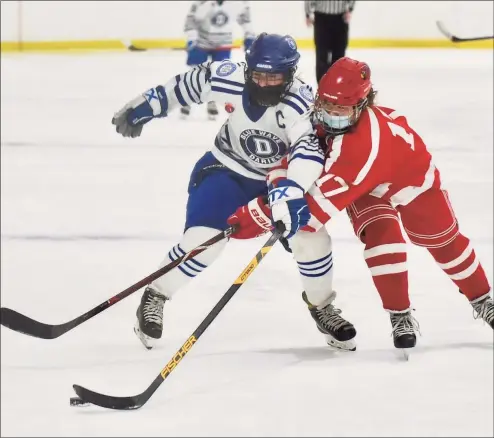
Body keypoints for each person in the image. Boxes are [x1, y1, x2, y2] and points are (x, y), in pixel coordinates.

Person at [228, 57, 493, 352]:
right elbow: (291, 162)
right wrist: (278, 193)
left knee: (443, 240)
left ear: (362, 104)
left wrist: (255, 217)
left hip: (412, 182)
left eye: (340, 109)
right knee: (384, 240)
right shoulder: (318, 119)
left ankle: (483, 300)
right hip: (368, 187)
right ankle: (400, 315)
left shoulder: (362, 149)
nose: (329, 114)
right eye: (325, 105)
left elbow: (314, 209)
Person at [111, 33, 357, 352]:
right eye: (259, 75)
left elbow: (307, 152)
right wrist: (149, 103)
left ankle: (322, 306)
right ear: (247, 70)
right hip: (224, 171)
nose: (266, 83)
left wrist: (292, 193)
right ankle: (156, 294)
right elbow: (190, 83)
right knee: (203, 243)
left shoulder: (301, 103)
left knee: (312, 238)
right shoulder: (228, 77)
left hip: (274, 182)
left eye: (275, 77)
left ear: (290, 74)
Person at [182, 1, 256, 120]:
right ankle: (189, 98)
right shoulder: (202, 3)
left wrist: (249, 36)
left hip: (223, 43)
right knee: (197, 73)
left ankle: (211, 100)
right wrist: (192, 37)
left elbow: (246, 20)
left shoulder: (238, 3)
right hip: (201, 42)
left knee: (218, 75)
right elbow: (191, 20)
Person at [305, 1, 356, 83]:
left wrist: (350, 9)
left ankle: (336, 86)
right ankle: (322, 88)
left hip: (340, 18)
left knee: (339, 56)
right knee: (322, 56)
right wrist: (308, 14)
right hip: (322, 18)